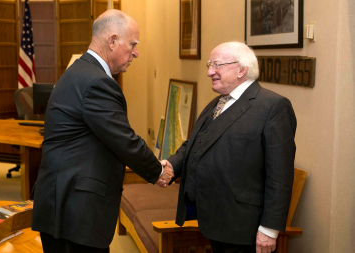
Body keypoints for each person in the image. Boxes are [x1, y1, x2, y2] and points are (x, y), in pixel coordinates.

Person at [32, 9, 173, 253]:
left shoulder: (81, 70)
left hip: (64, 204)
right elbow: (125, 141)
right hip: (74, 211)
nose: (136, 52)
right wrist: (159, 170)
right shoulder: (96, 81)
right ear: (112, 41)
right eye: (133, 44)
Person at [161, 41, 296, 253]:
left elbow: (280, 175)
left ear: (241, 70)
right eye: (209, 65)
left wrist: (270, 229)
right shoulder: (218, 103)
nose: (209, 72)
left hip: (243, 225)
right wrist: (171, 165)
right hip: (214, 219)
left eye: (216, 65)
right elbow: (196, 143)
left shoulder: (273, 106)